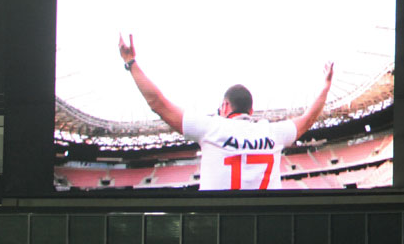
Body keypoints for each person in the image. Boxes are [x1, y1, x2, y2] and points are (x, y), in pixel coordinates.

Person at [117, 33, 333, 190]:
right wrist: (325, 87)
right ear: (251, 110)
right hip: (265, 225)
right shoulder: (273, 133)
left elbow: (158, 103)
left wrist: (131, 62)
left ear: (226, 106)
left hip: (218, 224)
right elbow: (308, 119)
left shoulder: (210, 127)